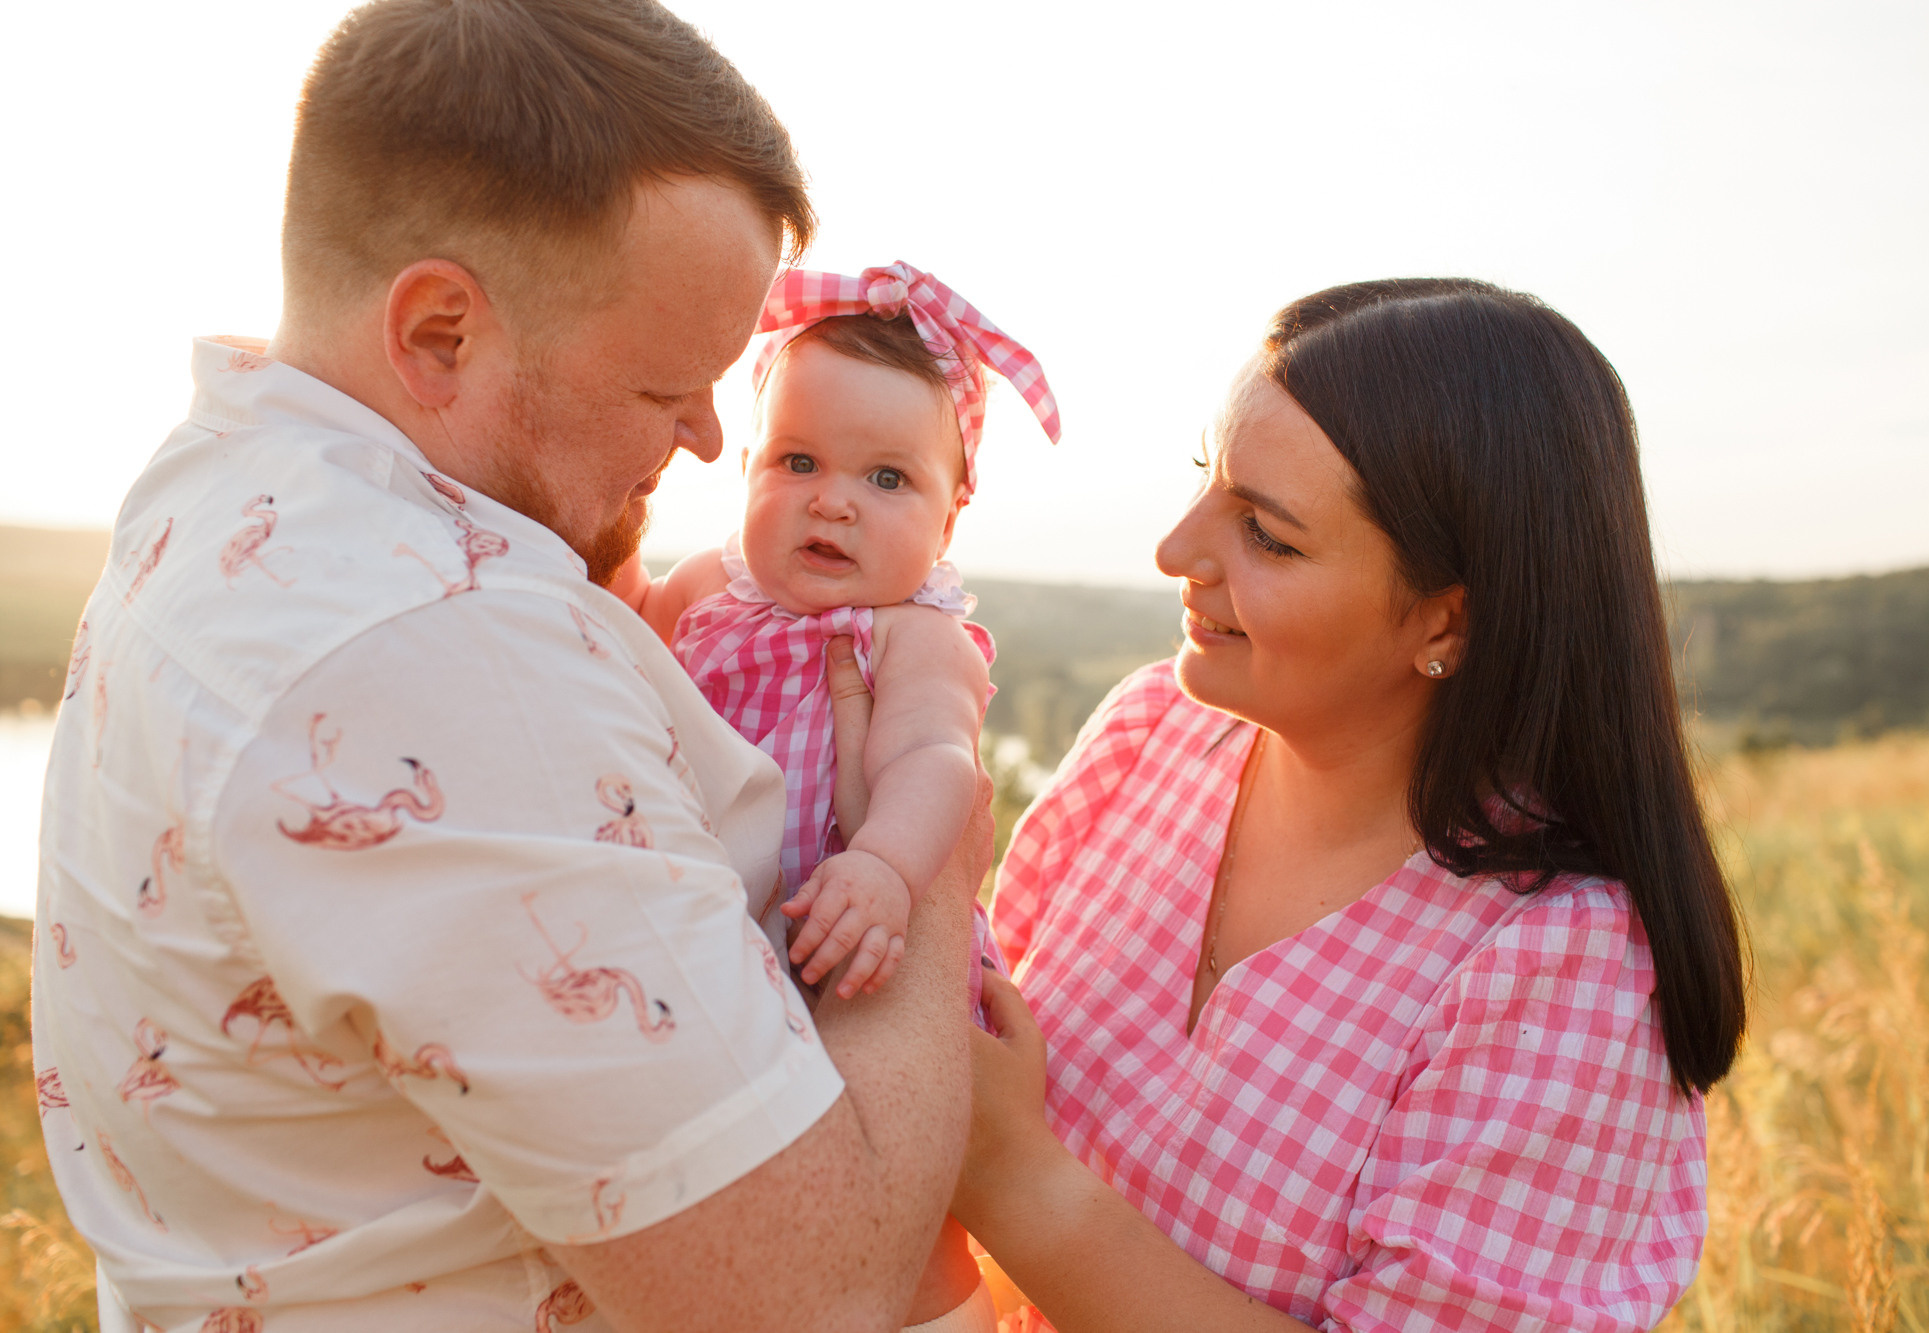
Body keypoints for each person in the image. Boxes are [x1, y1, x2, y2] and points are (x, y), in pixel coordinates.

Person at [31, 4, 984, 1331]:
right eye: (665, 387)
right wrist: (937, 855)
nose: (711, 439)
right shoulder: (439, 652)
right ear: (438, 333)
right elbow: (818, 1291)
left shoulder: (221, 484)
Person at [951, 279, 1748, 1332]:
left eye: (1266, 535)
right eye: (1208, 480)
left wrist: (1017, 1181)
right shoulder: (1149, 734)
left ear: (1446, 623)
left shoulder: (1562, 966)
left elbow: (992, 1142)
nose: (1176, 551)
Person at [616, 262, 1061, 1331]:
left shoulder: (915, 635)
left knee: (881, 1168)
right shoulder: (707, 591)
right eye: (797, 460)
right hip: (727, 947)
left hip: (852, 925)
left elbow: (934, 766)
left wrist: (883, 867)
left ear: (950, 517)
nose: (832, 500)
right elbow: (623, 633)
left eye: (887, 480)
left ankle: (933, 1306)